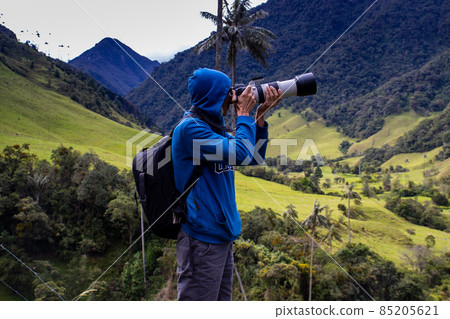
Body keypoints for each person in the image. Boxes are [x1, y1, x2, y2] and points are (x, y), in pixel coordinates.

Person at [171, 68, 282, 301]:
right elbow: (240, 153)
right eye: (227, 93)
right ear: (212, 97)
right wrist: (243, 113)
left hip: (221, 236)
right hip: (201, 240)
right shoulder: (190, 129)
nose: (233, 97)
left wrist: (259, 117)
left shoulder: (213, 129)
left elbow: (253, 156)